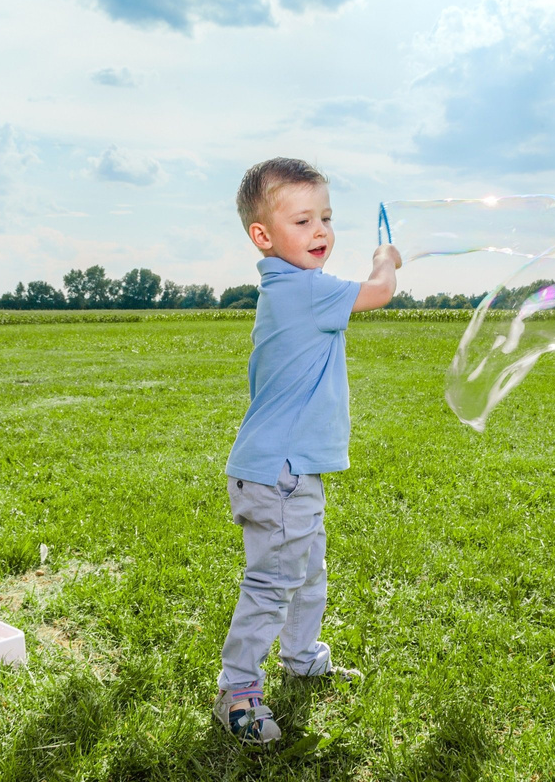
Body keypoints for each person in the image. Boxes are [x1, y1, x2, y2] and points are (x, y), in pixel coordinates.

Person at [214, 157, 401, 744]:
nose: (320, 231)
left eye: (325, 217)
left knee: (307, 574)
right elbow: (380, 294)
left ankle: (301, 658)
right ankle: (237, 694)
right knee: (272, 584)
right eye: (302, 220)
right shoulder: (301, 291)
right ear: (263, 237)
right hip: (279, 478)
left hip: (292, 475)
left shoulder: (292, 288)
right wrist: (385, 259)